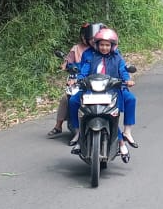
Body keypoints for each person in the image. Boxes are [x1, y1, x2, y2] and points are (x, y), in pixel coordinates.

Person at [67, 27, 139, 157]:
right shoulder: (91, 56)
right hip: (91, 89)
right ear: (96, 44)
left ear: (112, 46)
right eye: (101, 45)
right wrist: (76, 80)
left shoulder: (117, 57)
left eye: (107, 45)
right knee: (73, 102)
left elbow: (123, 70)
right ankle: (79, 133)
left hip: (111, 89)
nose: (104, 48)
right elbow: (84, 71)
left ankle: (125, 135)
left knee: (116, 110)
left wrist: (127, 80)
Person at [50, 22, 101, 137]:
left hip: (95, 80)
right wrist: (65, 65)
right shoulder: (76, 49)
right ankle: (58, 126)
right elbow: (68, 61)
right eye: (84, 35)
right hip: (77, 79)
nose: (86, 38)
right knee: (66, 99)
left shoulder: (99, 48)